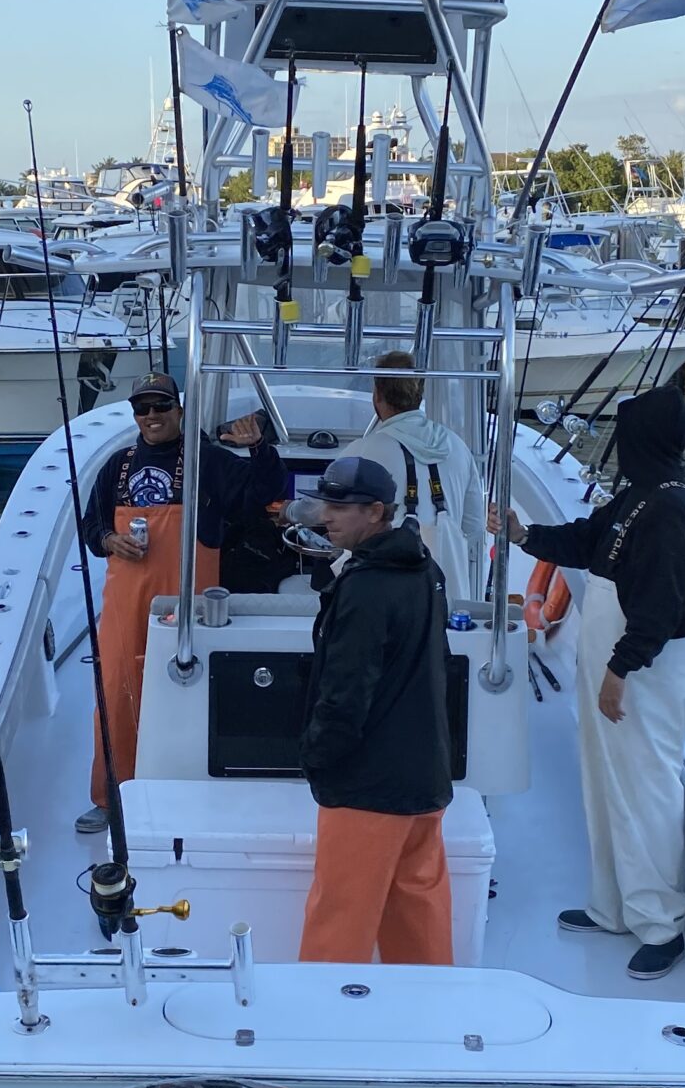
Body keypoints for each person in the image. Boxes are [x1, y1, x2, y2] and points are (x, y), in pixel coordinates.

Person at [494, 384, 685, 979]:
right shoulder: (638, 495)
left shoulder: (669, 509)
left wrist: (619, 670)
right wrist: (523, 535)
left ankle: (661, 923)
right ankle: (612, 905)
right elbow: (587, 541)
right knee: (603, 777)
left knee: (644, 787)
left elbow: (662, 606)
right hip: (612, 661)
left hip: (642, 671)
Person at [76, 374, 287, 831]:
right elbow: (90, 525)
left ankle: (186, 791)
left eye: (161, 406)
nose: (152, 416)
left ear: (180, 410)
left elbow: (264, 495)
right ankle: (111, 796)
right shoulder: (116, 465)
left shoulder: (209, 461)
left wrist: (259, 449)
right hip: (125, 602)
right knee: (116, 693)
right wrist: (110, 539)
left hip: (189, 603)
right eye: (142, 408)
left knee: (189, 692)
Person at [297, 455, 454, 967]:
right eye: (326, 503)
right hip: (424, 777)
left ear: (376, 512)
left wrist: (317, 759)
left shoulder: (365, 587)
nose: (327, 515)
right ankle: (429, 1005)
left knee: (339, 920)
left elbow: (345, 693)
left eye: (341, 506)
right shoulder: (426, 569)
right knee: (418, 911)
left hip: (366, 787)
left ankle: (324, 1011)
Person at [344, 352, 486, 600]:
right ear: (419, 394)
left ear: (377, 395)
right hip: (446, 600)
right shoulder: (458, 447)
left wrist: (291, 511)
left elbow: (338, 522)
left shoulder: (360, 453)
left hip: (382, 598)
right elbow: (473, 527)